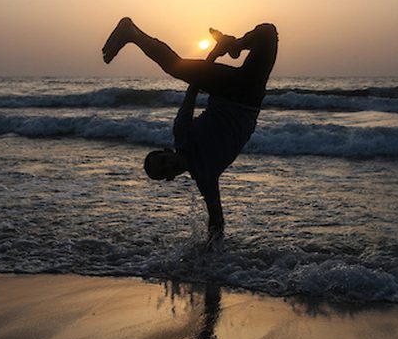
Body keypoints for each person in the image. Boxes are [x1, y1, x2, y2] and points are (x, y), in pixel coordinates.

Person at [102, 18, 277, 240]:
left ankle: (133, 33)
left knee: (176, 66)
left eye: (163, 160)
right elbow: (216, 220)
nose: (169, 166)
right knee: (268, 34)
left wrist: (215, 53)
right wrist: (211, 259)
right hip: (251, 94)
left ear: (167, 150)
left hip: (226, 90)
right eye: (165, 171)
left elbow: (194, 88)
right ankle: (231, 45)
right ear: (170, 178)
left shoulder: (181, 133)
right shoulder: (205, 179)